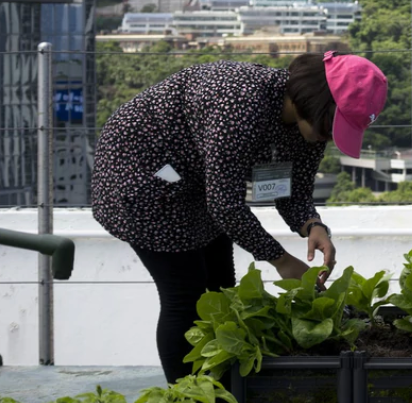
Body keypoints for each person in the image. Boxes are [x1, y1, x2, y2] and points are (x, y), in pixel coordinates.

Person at [91, 49, 387, 383]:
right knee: (184, 297)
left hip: (197, 181)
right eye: (331, 128)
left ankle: (225, 395)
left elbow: (290, 189)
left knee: (221, 290)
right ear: (314, 102)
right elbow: (225, 205)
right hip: (142, 174)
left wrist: (312, 226)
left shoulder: (309, 125)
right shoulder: (240, 104)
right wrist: (280, 260)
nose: (330, 138)